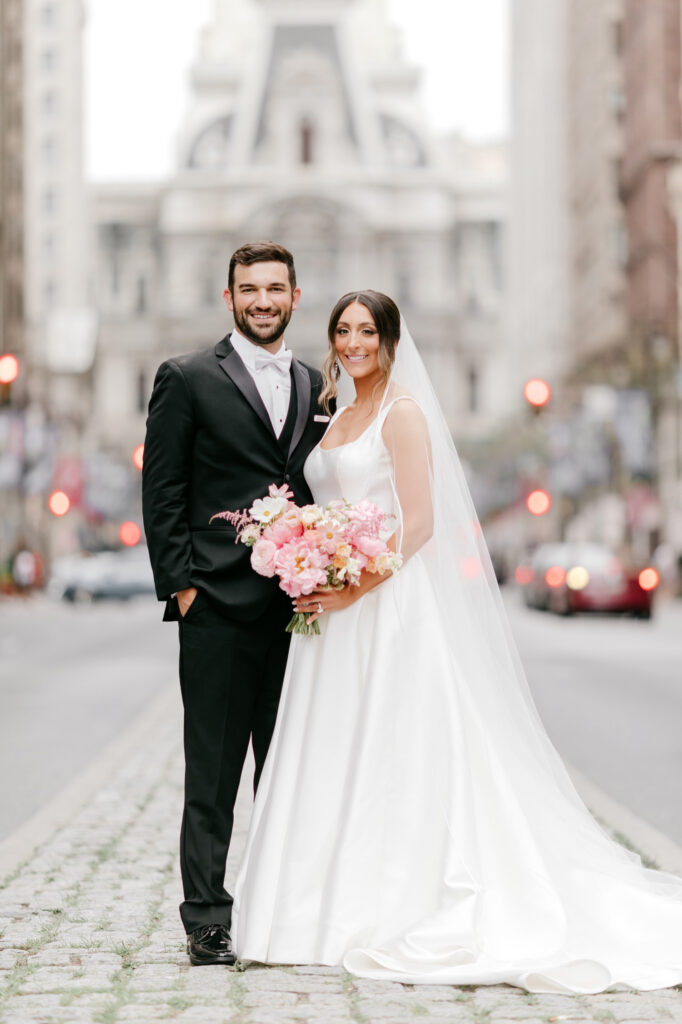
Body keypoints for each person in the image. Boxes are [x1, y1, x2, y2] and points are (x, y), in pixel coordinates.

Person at [232, 290, 682, 993]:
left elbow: (418, 524)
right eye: (343, 331)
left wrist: (355, 582)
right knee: (333, 745)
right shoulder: (338, 416)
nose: (354, 343)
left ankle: (388, 903)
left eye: (367, 332)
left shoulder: (400, 414)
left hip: (384, 601)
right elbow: (324, 506)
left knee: (396, 745)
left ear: (389, 341)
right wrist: (306, 555)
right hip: (330, 611)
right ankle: (311, 910)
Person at [142, 241, 333, 967]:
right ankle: (208, 920)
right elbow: (162, 491)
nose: (262, 300)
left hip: (298, 615)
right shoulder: (187, 377)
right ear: (229, 298)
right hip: (216, 608)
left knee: (288, 771)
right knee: (213, 775)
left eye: (275, 288)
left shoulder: (317, 385)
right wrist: (184, 588)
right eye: (249, 289)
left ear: (294, 296)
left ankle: (287, 910)